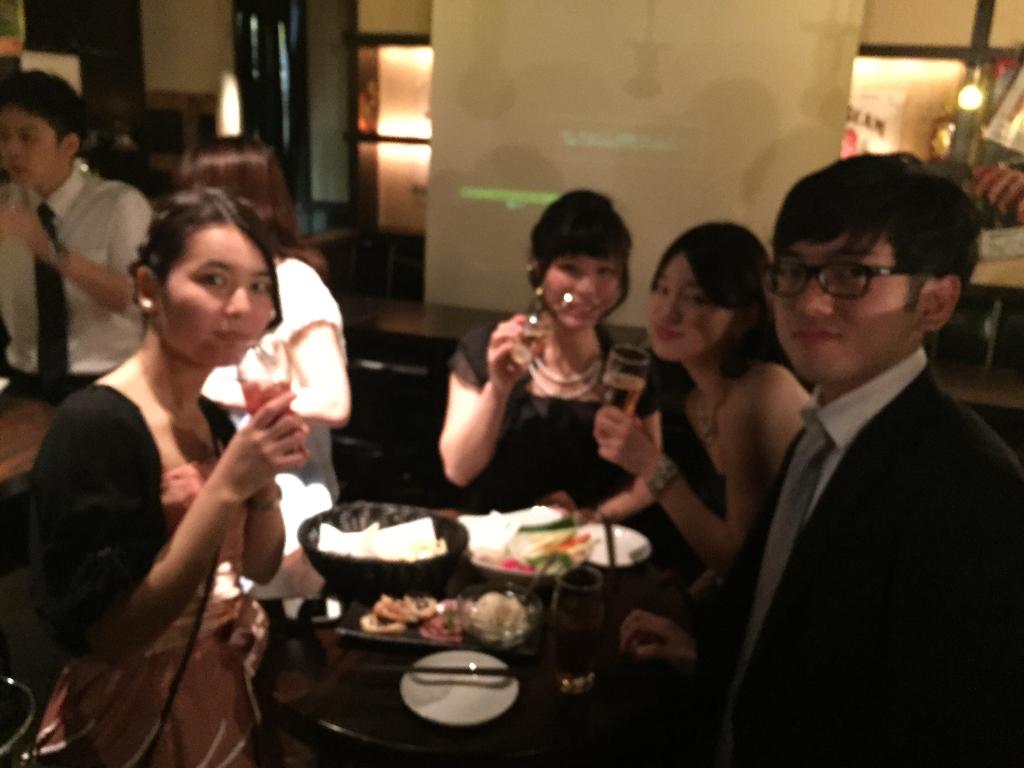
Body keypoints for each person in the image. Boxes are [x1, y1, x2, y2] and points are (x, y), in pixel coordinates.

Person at [620, 154, 1024, 765]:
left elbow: (945, 731)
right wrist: (705, 654)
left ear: (935, 302)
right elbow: (791, 629)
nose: (809, 303)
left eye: (850, 275)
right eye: (792, 271)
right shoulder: (819, 429)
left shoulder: (971, 489)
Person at [31, 189, 310, 766]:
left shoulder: (211, 418)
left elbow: (259, 566)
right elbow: (115, 637)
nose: (242, 306)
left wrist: (261, 482)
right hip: (129, 712)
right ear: (148, 290)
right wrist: (226, 487)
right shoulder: (96, 426)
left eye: (259, 285)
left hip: (217, 686)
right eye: (214, 280)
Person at [178, 137, 351, 599]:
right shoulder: (198, 287)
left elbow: (333, 401)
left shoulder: (292, 280)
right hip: (213, 490)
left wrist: (224, 394)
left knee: (265, 623)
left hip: (286, 496)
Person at [594, 224, 807, 582]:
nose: (667, 312)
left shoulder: (758, 392)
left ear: (747, 317)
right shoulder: (698, 402)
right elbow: (745, 534)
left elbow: (744, 563)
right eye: (662, 289)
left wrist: (651, 465)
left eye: (696, 299)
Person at [439, 189, 659, 518]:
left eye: (605, 271)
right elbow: (458, 469)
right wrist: (498, 388)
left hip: (586, 543)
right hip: (493, 538)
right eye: (570, 268)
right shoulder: (487, 347)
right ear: (539, 268)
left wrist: (590, 518)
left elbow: (652, 479)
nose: (588, 289)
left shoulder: (628, 371)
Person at [0, 70, 151, 402]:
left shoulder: (119, 204)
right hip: (23, 379)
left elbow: (133, 298)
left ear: (68, 145)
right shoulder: (5, 204)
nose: (11, 150)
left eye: (27, 137)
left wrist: (49, 249)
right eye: (3, 136)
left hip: (106, 380)